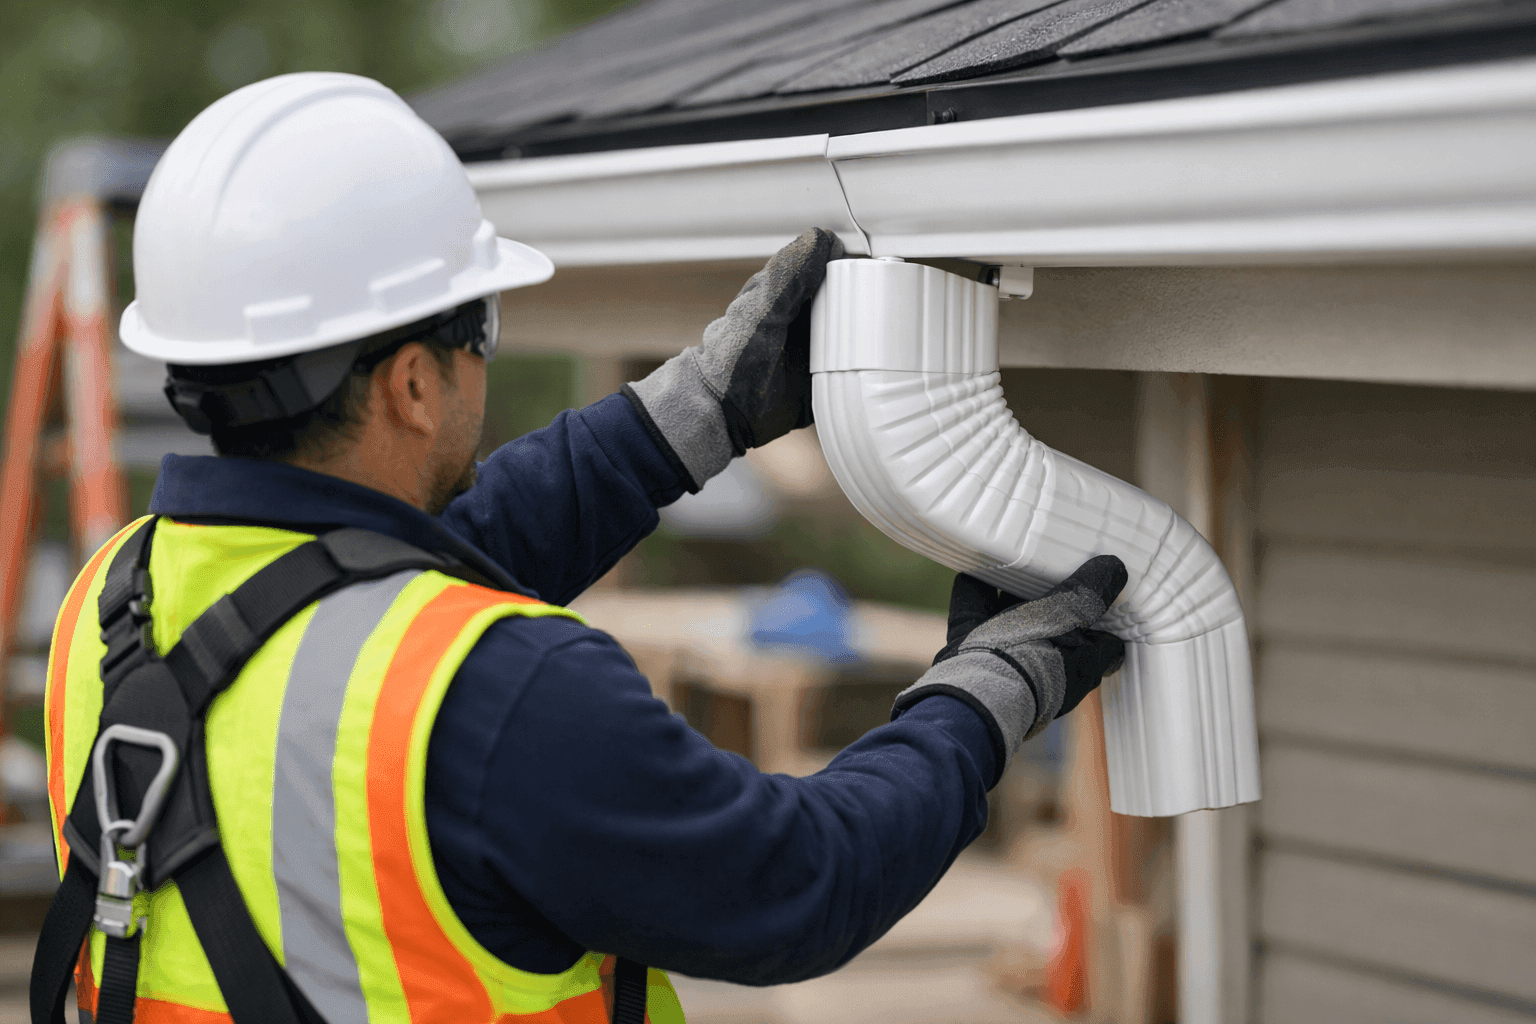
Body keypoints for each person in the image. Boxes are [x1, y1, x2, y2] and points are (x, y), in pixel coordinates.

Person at [34, 73, 1126, 1024]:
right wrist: (981, 699)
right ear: (413, 383)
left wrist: (695, 411)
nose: (487, 364)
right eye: (481, 331)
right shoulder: (507, 692)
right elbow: (795, 883)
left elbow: (385, 580)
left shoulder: (114, 595)